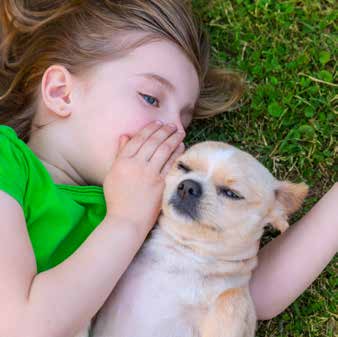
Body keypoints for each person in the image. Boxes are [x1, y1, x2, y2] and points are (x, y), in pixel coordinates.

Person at [0, 1, 336, 336]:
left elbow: (245, 290)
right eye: (151, 97)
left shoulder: (142, 198)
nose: (175, 132)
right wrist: (126, 221)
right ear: (61, 92)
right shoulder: (8, 163)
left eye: (184, 122)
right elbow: (22, 327)